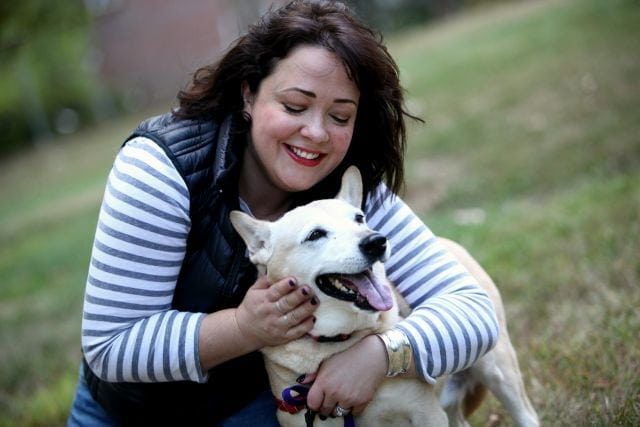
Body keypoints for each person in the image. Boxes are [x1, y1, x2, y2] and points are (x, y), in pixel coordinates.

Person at [68, 0, 500, 425]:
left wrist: (382, 355)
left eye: (340, 115)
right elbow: (110, 346)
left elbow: (474, 313)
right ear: (249, 93)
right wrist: (244, 328)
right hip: (128, 413)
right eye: (294, 106)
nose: (315, 133)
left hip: (252, 404)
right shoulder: (161, 168)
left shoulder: (351, 195)